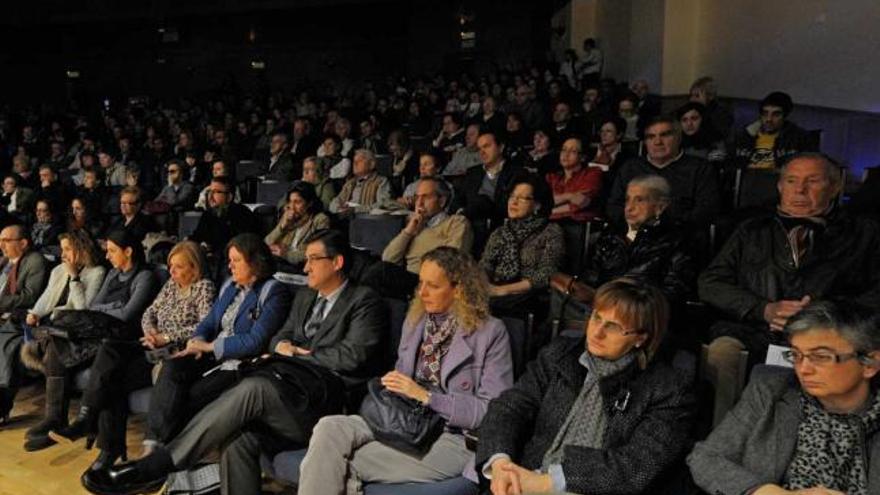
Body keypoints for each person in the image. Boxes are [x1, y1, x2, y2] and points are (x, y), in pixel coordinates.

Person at [83, 230, 386, 495]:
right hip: (287, 388)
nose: (304, 267)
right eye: (305, 259)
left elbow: (352, 355)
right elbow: (278, 336)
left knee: (253, 387)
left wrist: (294, 353)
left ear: (337, 262)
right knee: (238, 439)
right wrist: (282, 345)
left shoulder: (364, 300)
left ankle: (158, 465)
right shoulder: (307, 297)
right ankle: (163, 463)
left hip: (324, 403)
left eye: (313, 259)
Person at [299, 247, 514, 493]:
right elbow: (401, 382)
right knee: (329, 427)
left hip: (450, 436)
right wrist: (392, 385)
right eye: (420, 282)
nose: (421, 292)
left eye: (433, 285)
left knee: (335, 463)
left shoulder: (490, 333)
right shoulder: (416, 320)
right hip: (401, 419)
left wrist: (428, 398)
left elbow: (494, 412)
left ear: (459, 289)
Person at [699, 152, 880, 426]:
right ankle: (724, 438)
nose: (800, 189)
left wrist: (824, 314)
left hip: (830, 336)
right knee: (722, 352)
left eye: (813, 181)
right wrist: (764, 309)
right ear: (780, 187)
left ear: (835, 187)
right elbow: (710, 282)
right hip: (753, 330)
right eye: (792, 181)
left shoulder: (865, 233)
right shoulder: (751, 229)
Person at [477, 278, 695, 495]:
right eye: (596, 317)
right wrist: (500, 463)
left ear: (640, 338)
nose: (597, 332)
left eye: (613, 326)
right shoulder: (560, 355)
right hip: (522, 480)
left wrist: (546, 484)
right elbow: (509, 407)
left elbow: (636, 467)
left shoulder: (667, 390)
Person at [49, 241, 215, 473]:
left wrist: (165, 337)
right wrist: (150, 331)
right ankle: (87, 419)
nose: (172, 271)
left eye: (178, 267)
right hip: (150, 343)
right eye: (170, 266)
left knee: (112, 379)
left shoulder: (204, 287)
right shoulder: (171, 284)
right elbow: (150, 312)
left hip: (175, 352)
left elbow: (205, 326)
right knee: (109, 351)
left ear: (194, 268)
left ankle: (109, 450)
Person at [688, 300, 880, 495]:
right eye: (796, 355)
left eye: (821, 357)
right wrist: (764, 491)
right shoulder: (772, 390)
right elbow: (706, 457)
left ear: (869, 365)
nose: (803, 369)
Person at [142, 233, 290, 451]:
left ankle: (167, 455)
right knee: (173, 364)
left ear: (255, 262)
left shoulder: (274, 291)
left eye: (236, 261)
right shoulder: (230, 286)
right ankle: (153, 443)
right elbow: (208, 322)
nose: (230, 266)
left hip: (239, 362)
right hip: (210, 355)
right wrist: (197, 341)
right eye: (229, 261)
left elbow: (255, 341)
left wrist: (210, 346)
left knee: (188, 395)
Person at [20, 229, 158, 451]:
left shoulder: (145, 276)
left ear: (129, 251)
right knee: (57, 342)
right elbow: (94, 308)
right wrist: (111, 308)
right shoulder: (113, 274)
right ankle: (55, 419)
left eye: (112, 251)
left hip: (121, 337)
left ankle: (69, 421)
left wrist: (106, 310)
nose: (107, 256)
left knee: (60, 342)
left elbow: (127, 315)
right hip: (98, 330)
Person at [549, 175, 695, 336]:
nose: (629, 207)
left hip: (639, 315)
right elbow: (591, 277)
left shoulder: (676, 241)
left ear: (660, 207)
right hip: (599, 306)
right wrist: (579, 288)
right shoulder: (611, 235)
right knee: (558, 287)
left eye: (639, 200)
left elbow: (673, 293)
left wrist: (625, 300)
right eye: (627, 200)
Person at [364, 177, 473, 299]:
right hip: (409, 282)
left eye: (425, 197)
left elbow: (451, 262)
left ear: (442, 201)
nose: (419, 203)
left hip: (432, 282)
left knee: (380, 272)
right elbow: (388, 258)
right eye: (417, 197)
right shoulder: (415, 225)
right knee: (365, 263)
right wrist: (409, 231)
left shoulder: (456, 222)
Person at [605, 116, 721, 228]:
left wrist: (662, 224)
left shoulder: (700, 168)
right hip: (633, 234)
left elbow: (705, 211)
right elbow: (614, 207)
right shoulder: (630, 168)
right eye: (651, 137)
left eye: (665, 135)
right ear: (645, 142)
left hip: (680, 236)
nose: (657, 142)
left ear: (679, 138)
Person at [479, 173, 564, 316]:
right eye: (512, 196)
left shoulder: (550, 231)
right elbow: (485, 264)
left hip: (530, 295)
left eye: (522, 198)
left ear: (537, 205)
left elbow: (547, 274)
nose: (514, 202)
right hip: (495, 289)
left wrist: (503, 290)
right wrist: (484, 285)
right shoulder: (500, 232)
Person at [458, 131, 524, 252]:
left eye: (487, 146)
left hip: (497, 224)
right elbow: (459, 200)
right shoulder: (473, 172)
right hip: (469, 223)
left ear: (501, 147)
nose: (482, 152)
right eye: (479, 148)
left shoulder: (516, 173)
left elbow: (513, 205)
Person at [733, 91, 817, 170]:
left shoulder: (798, 138)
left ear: (785, 116)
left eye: (776, 114)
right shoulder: (745, 135)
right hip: (747, 180)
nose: (769, 119)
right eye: (765, 113)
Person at [265, 182, 332, 269]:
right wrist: (282, 226)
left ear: (309, 203)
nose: (292, 207)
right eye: (290, 201)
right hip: (281, 264)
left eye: (297, 202)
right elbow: (266, 243)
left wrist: (286, 254)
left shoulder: (320, 220)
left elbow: (316, 253)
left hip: (303, 268)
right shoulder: (288, 216)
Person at [547, 137, 603, 222]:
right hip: (550, 223)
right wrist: (570, 196)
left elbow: (581, 202)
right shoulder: (552, 177)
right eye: (564, 150)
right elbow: (541, 203)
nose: (566, 154)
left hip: (577, 225)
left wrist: (550, 210)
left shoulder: (592, 173)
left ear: (583, 157)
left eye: (573, 151)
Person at [328, 149, 392, 217]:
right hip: (345, 217)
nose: (355, 164)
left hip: (365, 219)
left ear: (371, 164)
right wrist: (338, 208)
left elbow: (383, 204)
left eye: (360, 161)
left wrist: (356, 209)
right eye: (354, 161)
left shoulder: (381, 181)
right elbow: (336, 200)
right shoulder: (350, 182)